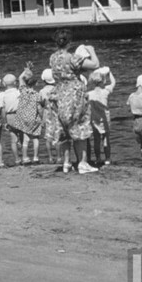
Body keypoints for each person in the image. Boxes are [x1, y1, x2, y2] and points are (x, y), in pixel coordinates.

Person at [47, 29, 100, 174]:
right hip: (74, 95)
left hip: (58, 93)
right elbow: (95, 65)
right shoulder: (73, 57)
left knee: (63, 130)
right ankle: (82, 163)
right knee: (79, 128)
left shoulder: (52, 58)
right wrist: (91, 50)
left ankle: (66, 162)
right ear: (70, 42)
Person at [13, 63, 43, 164]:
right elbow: (39, 108)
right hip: (34, 119)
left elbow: (20, 78)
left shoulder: (23, 91)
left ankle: (25, 157)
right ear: (36, 84)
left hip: (24, 119)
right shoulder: (37, 95)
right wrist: (42, 118)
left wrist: (27, 70)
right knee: (35, 139)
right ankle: (35, 157)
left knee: (25, 139)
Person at [87, 67, 116, 166]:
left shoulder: (89, 94)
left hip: (94, 119)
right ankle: (107, 158)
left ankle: (98, 158)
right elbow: (113, 82)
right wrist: (109, 72)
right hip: (105, 119)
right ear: (103, 81)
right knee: (106, 139)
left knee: (96, 139)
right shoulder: (106, 91)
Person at [2, 73, 22, 165]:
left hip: (9, 116)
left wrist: (4, 122)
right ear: (15, 83)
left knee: (13, 139)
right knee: (22, 137)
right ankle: (24, 155)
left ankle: (17, 159)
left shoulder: (3, 95)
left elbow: (3, 110)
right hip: (19, 115)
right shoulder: (18, 92)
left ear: (4, 84)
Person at [40, 68, 59, 164]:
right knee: (57, 137)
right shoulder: (58, 89)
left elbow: (41, 104)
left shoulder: (42, 91)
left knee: (48, 137)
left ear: (44, 80)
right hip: (57, 114)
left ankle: (50, 157)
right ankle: (59, 157)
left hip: (47, 114)